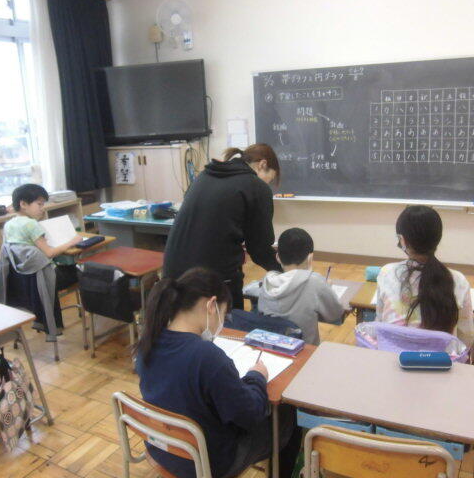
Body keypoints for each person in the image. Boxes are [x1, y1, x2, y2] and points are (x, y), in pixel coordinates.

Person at [136, 267, 301, 478]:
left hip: (161, 447)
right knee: (287, 414)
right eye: (223, 314)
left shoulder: (149, 342)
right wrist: (257, 377)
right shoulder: (206, 356)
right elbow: (249, 415)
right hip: (206, 463)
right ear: (212, 305)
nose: (221, 323)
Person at [163, 144, 282, 309]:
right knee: (231, 323)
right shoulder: (256, 187)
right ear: (262, 164)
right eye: (270, 178)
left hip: (172, 275)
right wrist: (286, 270)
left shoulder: (205, 175)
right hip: (209, 281)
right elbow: (259, 249)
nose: (267, 184)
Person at [375, 205, 474, 347]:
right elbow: (467, 337)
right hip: (441, 360)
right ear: (438, 238)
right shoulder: (458, 280)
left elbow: (379, 324)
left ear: (402, 240)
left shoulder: (386, 272)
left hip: (390, 357)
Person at [258, 228, 344, 344]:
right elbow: (335, 314)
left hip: (272, 346)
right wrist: (327, 288)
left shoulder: (267, 280)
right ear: (310, 257)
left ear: (278, 257)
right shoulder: (314, 282)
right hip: (304, 349)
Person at [3, 184, 82, 289]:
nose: (42, 208)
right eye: (39, 204)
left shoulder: (8, 225)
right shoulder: (31, 224)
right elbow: (49, 253)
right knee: (82, 271)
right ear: (23, 204)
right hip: (47, 277)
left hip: (27, 278)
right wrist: (72, 242)